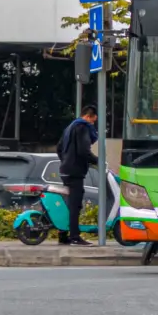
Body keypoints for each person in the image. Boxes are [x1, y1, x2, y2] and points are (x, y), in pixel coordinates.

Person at [56, 105, 99, 245]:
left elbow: (59, 148)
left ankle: (63, 235)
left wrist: (66, 161)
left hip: (66, 170)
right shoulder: (82, 127)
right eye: (93, 121)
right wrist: (98, 161)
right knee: (75, 205)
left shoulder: (69, 127)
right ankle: (75, 236)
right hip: (75, 172)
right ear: (88, 117)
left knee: (68, 204)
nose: (92, 125)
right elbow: (83, 151)